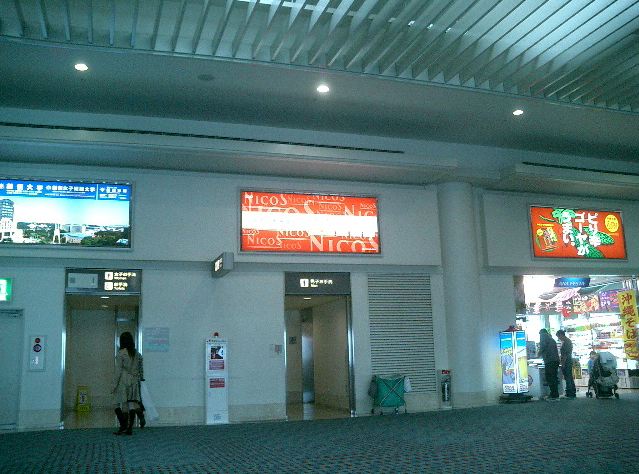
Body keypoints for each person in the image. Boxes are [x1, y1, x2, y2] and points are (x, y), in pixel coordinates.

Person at [112, 331, 144, 435]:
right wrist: (141, 379)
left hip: (123, 380)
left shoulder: (121, 354)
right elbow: (140, 369)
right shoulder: (137, 354)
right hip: (134, 381)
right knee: (131, 404)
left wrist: (114, 385)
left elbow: (118, 371)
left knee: (117, 403)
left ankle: (123, 426)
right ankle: (129, 428)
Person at [538, 329, 560, 401]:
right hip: (555, 360)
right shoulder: (551, 339)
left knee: (550, 377)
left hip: (550, 361)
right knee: (553, 377)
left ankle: (553, 395)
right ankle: (555, 394)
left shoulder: (544, 337)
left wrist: (538, 354)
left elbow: (542, 347)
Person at [556, 330, 576, 398]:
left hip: (567, 361)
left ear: (561, 335)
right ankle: (572, 391)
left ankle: (570, 392)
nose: (559, 338)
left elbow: (565, 354)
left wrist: (563, 363)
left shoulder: (566, 342)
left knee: (568, 377)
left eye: (558, 336)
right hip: (568, 360)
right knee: (569, 376)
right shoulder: (567, 341)